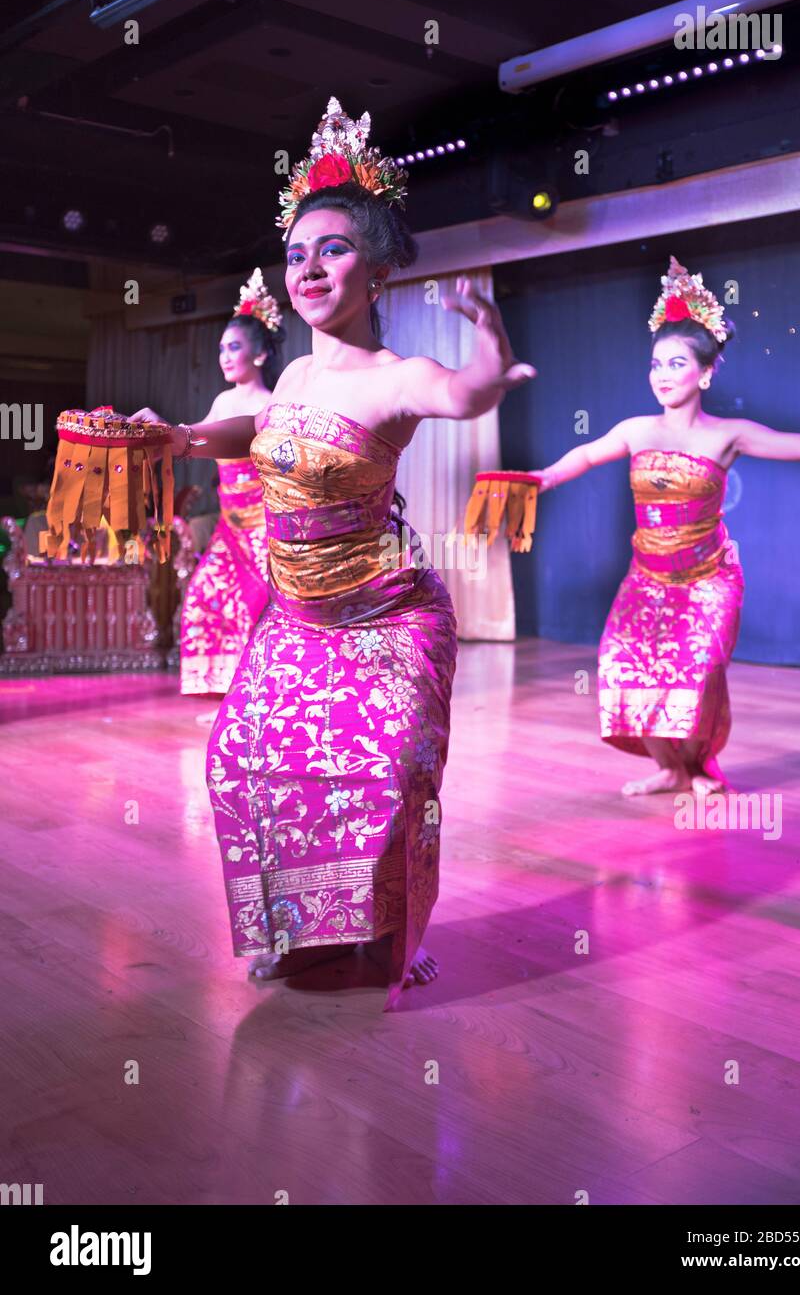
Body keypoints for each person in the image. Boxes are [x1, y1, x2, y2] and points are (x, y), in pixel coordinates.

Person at [134, 96, 535, 1006]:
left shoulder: (398, 379)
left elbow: (468, 395)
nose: (310, 269)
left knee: (390, 771)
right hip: (298, 619)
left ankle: (390, 927)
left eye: (335, 249)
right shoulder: (293, 379)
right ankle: (304, 926)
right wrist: (182, 437)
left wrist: (490, 347)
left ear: (381, 265)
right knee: (240, 759)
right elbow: (239, 429)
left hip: (388, 616)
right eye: (297, 254)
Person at [534, 255, 800, 798]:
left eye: (676, 364)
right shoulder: (637, 430)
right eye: (656, 364)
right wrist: (544, 477)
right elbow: (589, 454)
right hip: (647, 579)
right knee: (622, 665)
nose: (662, 375)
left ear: (706, 373)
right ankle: (669, 769)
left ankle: (701, 766)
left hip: (709, 578)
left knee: (699, 669)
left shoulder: (726, 435)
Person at [179, 271, 282, 696]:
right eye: (221, 348)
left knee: (259, 608)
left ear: (259, 355)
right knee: (203, 596)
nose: (224, 356)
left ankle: (260, 693)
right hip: (229, 527)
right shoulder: (223, 402)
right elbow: (190, 437)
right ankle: (228, 691)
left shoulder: (269, 405)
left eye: (234, 347)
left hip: (264, 530)